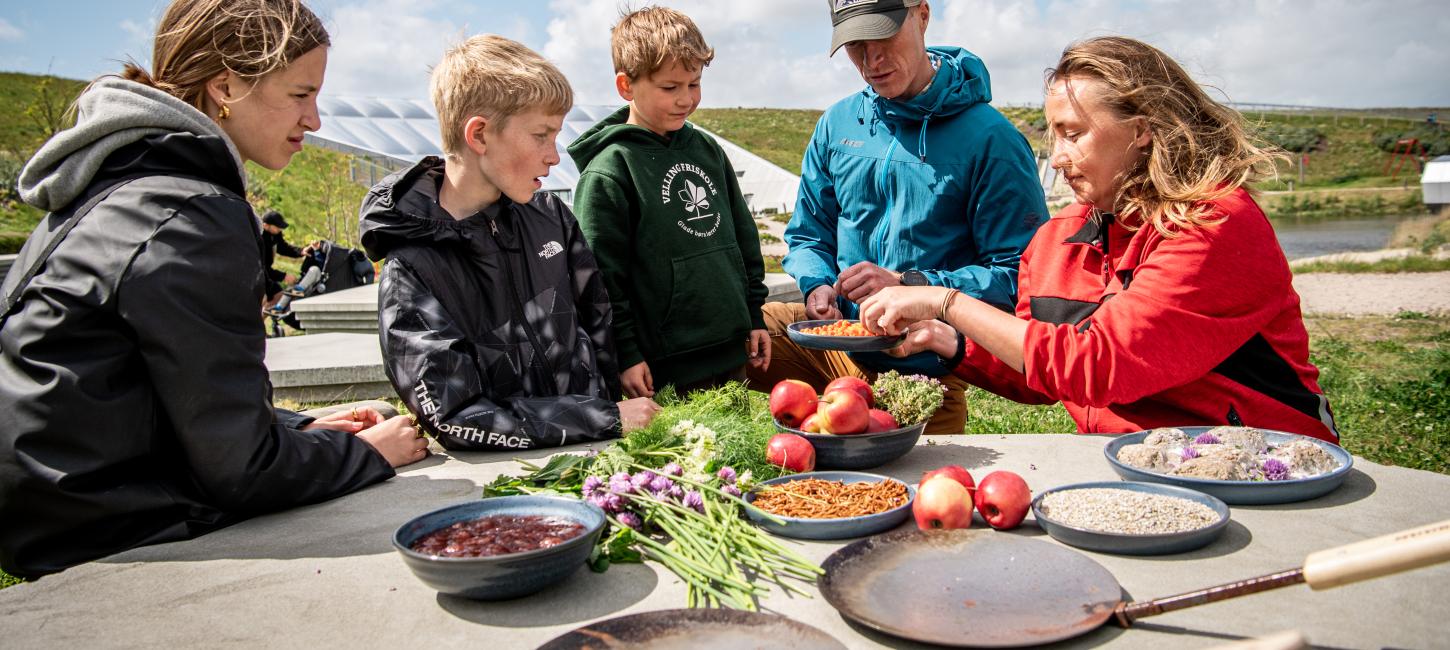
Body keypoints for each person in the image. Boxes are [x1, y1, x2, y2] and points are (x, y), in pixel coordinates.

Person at [0, 0, 426, 579]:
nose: (315, 120)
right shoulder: (192, 214)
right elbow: (246, 471)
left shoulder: (121, 185)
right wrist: (369, 453)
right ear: (224, 86)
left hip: (63, 515)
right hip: (123, 535)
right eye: (301, 95)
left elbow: (136, 398)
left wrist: (294, 427)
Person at [858, 36, 1339, 443]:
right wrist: (950, 341)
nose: (1059, 158)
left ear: (1142, 131)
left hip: (1258, 462)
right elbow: (1045, 367)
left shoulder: (1213, 225)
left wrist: (947, 302)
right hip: (1138, 467)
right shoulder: (1057, 239)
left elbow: (1099, 365)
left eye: (1074, 134)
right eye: (1055, 136)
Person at [748, 0, 1047, 434]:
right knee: (721, 336)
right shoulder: (837, 123)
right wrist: (817, 286)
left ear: (922, 15)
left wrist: (912, 285)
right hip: (833, 337)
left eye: (884, 37)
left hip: (921, 366)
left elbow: (1019, 277)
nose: (872, 62)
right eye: (855, 45)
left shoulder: (992, 139)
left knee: (916, 494)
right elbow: (809, 233)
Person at [360, 35, 661, 451]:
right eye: (541, 135)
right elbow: (455, 416)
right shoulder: (411, 269)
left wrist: (611, 411)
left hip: (605, 454)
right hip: (515, 478)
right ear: (479, 135)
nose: (554, 157)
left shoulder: (551, 217)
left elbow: (599, 326)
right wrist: (600, 418)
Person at [568, 7, 771, 399]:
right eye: (670, 87)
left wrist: (754, 315)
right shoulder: (609, 170)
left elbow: (744, 240)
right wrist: (624, 353)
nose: (686, 99)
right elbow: (601, 279)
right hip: (663, 370)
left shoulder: (707, 149)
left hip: (732, 350)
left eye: (694, 84)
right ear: (626, 86)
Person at [260, 209, 303, 308]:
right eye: (277, 227)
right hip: (257, 273)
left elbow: (283, 247)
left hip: (265, 272)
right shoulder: (259, 239)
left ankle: (257, 322)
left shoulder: (275, 234)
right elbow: (261, 267)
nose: (280, 229)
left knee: (277, 295)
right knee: (273, 296)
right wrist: (283, 276)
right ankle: (254, 322)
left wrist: (301, 251)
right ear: (265, 225)